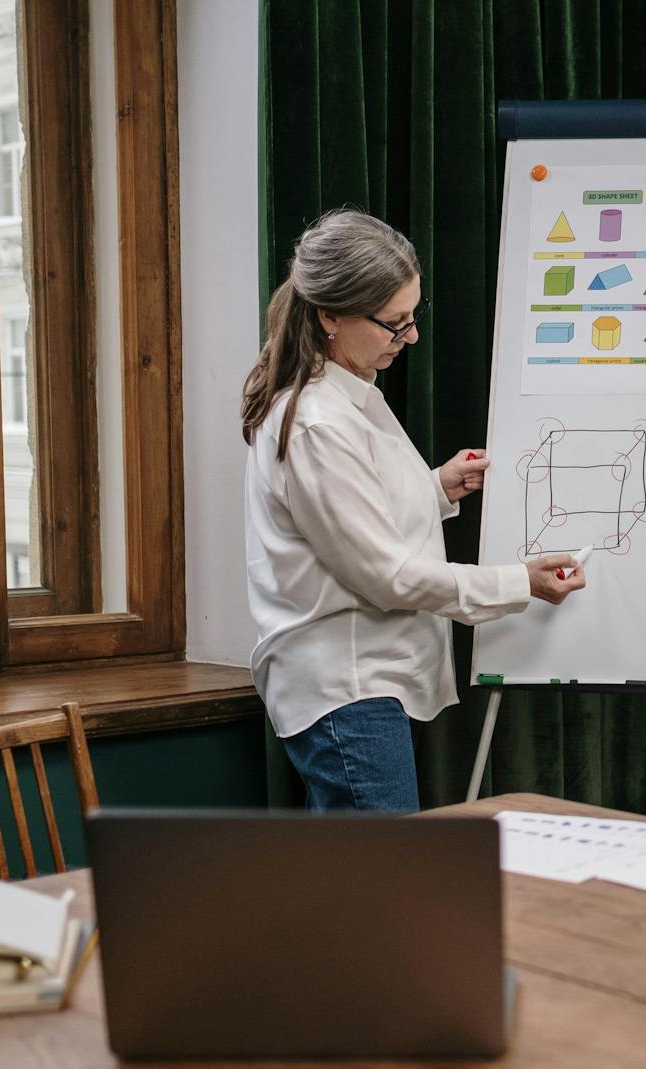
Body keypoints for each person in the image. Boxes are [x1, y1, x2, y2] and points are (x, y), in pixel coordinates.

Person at [241, 209, 583, 812]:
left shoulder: (345, 396)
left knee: (377, 887)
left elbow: (353, 520)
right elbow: (385, 574)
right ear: (329, 315)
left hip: (362, 685)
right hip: (346, 688)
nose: (412, 337)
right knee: (386, 891)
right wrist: (518, 583)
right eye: (395, 324)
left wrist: (438, 487)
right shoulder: (320, 422)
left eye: (412, 318)